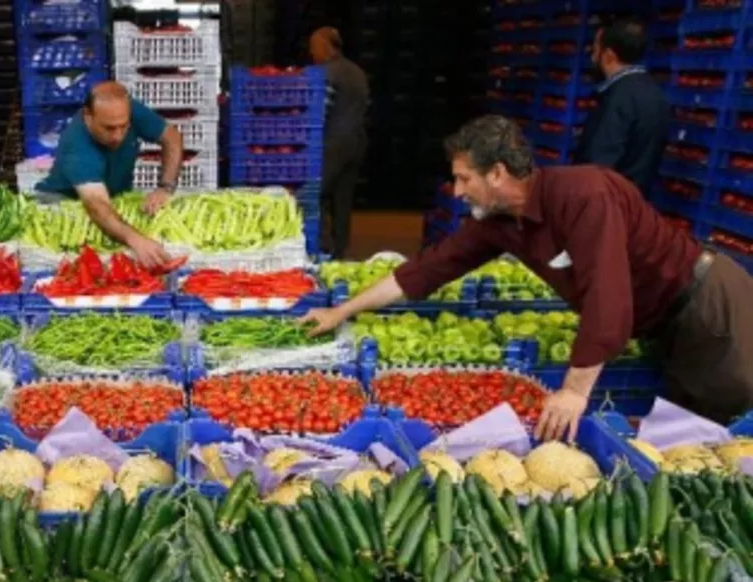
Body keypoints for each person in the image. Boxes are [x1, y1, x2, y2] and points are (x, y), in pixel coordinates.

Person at [302, 115, 753, 435]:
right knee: (686, 434)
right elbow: (427, 270)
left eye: (463, 179)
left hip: (709, 311)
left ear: (497, 172)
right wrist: (341, 310)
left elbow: (608, 298)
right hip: (663, 322)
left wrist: (574, 393)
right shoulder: (500, 223)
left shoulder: (585, 196)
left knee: (726, 428)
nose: (456, 191)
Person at [36, 81, 184, 269]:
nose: (118, 136)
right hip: (64, 203)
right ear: (88, 116)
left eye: (124, 127)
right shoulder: (76, 146)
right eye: (109, 128)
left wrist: (165, 187)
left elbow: (171, 137)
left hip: (110, 196)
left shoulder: (125, 110)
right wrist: (135, 239)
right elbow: (96, 205)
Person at [574, 16, 670, 197]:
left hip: (607, 206)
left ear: (609, 56)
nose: (593, 57)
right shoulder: (656, 95)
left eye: (595, 50)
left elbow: (597, 166)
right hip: (634, 204)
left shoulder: (618, 99)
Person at [308, 26, 369, 258]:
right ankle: (340, 250)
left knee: (316, 193)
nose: (312, 52)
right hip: (357, 141)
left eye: (314, 47)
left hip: (333, 143)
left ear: (325, 47)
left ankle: (323, 246)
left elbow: (320, 112)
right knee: (343, 198)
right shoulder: (357, 71)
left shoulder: (327, 73)